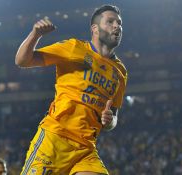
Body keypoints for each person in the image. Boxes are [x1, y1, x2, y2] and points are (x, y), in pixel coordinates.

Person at [15, 4, 127, 175]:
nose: (117, 26)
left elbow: (113, 118)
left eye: (119, 23)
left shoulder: (120, 72)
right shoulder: (74, 48)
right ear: (95, 29)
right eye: (110, 21)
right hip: (55, 139)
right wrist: (35, 34)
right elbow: (22, 61)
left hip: (85, 149)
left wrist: (109, 120)